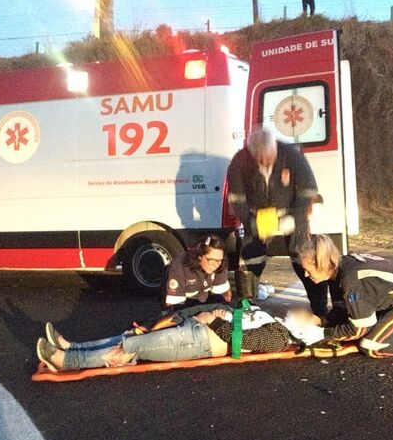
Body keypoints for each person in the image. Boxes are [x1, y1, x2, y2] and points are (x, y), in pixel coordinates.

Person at [227, 125, 335, 318]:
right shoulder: (239, 161)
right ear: (251, 153)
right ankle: (246, 307)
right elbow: (237, 200)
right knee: (251, 259)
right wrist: (252, 223)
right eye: (259, 159)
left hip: (291, 212)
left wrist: (294, 219)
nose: (264, 162)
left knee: (304, 259)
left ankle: (320, 310)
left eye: (268, 157)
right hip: (258, 215)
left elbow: (308, 190)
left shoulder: (292, 154)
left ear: (275, 148)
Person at [290, 235, 393, 359]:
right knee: (353, 331)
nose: (305, 275)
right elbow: (341, 312)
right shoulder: (337, 270)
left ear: (321, 264)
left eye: (308, 270)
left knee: (371, 346)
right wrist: (320, 321)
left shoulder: (350, 279)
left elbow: (359, 329)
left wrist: (323, 333)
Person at [36, 305, 293, 372]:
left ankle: (66, 360)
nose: (299, 311)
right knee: (130, 337)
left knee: (128, 348)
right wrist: (221, 314)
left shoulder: (281, 337)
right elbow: (241, 325)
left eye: (306, 315)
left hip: (197, 341)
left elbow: (246, 342)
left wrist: (213, 320)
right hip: (195, 329)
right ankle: (72, 347)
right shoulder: (272, 319)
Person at [163, 235, 232, 311]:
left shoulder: (220, 264)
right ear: (199, 256)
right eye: (211, 260)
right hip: (182, 302)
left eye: (219, 260)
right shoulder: (179, 267)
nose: (215, 265)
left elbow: (225, 295)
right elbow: (173, 306)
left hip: (204, 298)